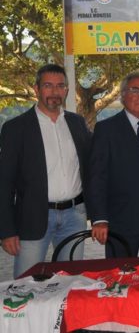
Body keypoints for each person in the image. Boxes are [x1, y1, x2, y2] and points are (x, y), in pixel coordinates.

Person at [0, 64, 91, 278]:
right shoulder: (15, 128)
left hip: (75, 216)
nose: (54, 92)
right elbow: (4, 183)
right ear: (36, 89)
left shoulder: (77, 123)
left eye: (60, 86)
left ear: (66, 90)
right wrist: (6, 231)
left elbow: (91, 167)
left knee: (70, 281)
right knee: (25, 284)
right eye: (48, 85)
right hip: (33, 216)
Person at [88, 71, 139, 259]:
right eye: (135, 90)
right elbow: (97, 177)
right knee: (120, 274)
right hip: (121, 221)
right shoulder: (106, 129)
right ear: (123, 95)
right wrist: (99, 218)